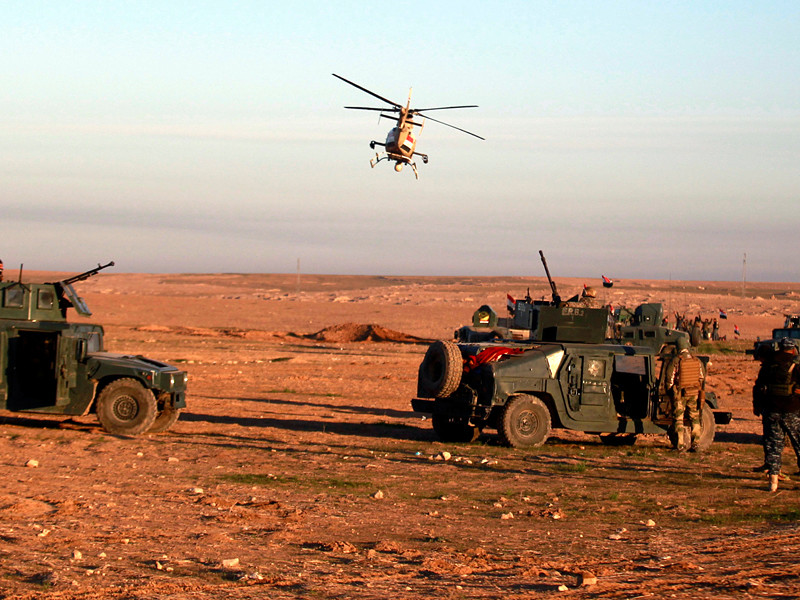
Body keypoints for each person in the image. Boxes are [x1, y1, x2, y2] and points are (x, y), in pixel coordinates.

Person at [753, 337, 800, 492]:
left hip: (771, 410)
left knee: (774, 445)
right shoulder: (796, 365)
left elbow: (758, 386)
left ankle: (773, 481)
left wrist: (758, 406)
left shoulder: (768, 365)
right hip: (792, 410)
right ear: (793, 349)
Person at [664, 336, 706, 451]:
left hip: (680, 394)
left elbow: (669, 379)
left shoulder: (676, 360)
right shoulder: (696, 360)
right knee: (695, 418)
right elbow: (701, 378)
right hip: (693, 392)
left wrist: (670, 392)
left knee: (678, 419)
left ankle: (680, 444)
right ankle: (696, 442)